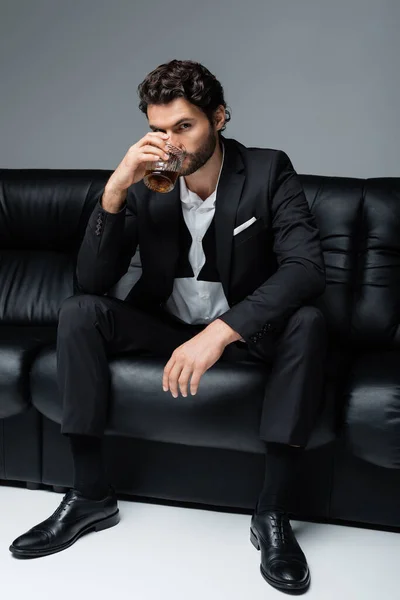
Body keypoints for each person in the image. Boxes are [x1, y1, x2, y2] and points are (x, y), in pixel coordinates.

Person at [10, 60, 326, 594]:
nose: (170, 142)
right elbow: (91, 281)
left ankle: (272, 514)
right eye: (158, 130)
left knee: (310, 323)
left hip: (246, 335)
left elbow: (306, 268)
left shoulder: (269, 170)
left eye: (184, 127)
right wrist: (115, 188)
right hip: (167, 327)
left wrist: (221, 331)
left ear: (219, 118)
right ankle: (89, 494)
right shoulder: (145, 184)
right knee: (79, 312)